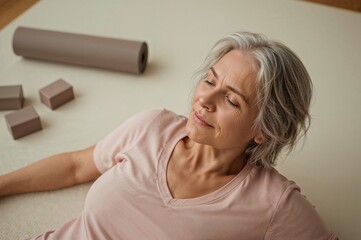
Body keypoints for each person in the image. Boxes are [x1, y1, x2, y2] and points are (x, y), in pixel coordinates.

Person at [0, 31, 337, 240]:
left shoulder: (273, 202)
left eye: (231, 99)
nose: (204, 99)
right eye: (209, 80)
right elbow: (76, 165)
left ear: (263, 129)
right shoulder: (151, 127)